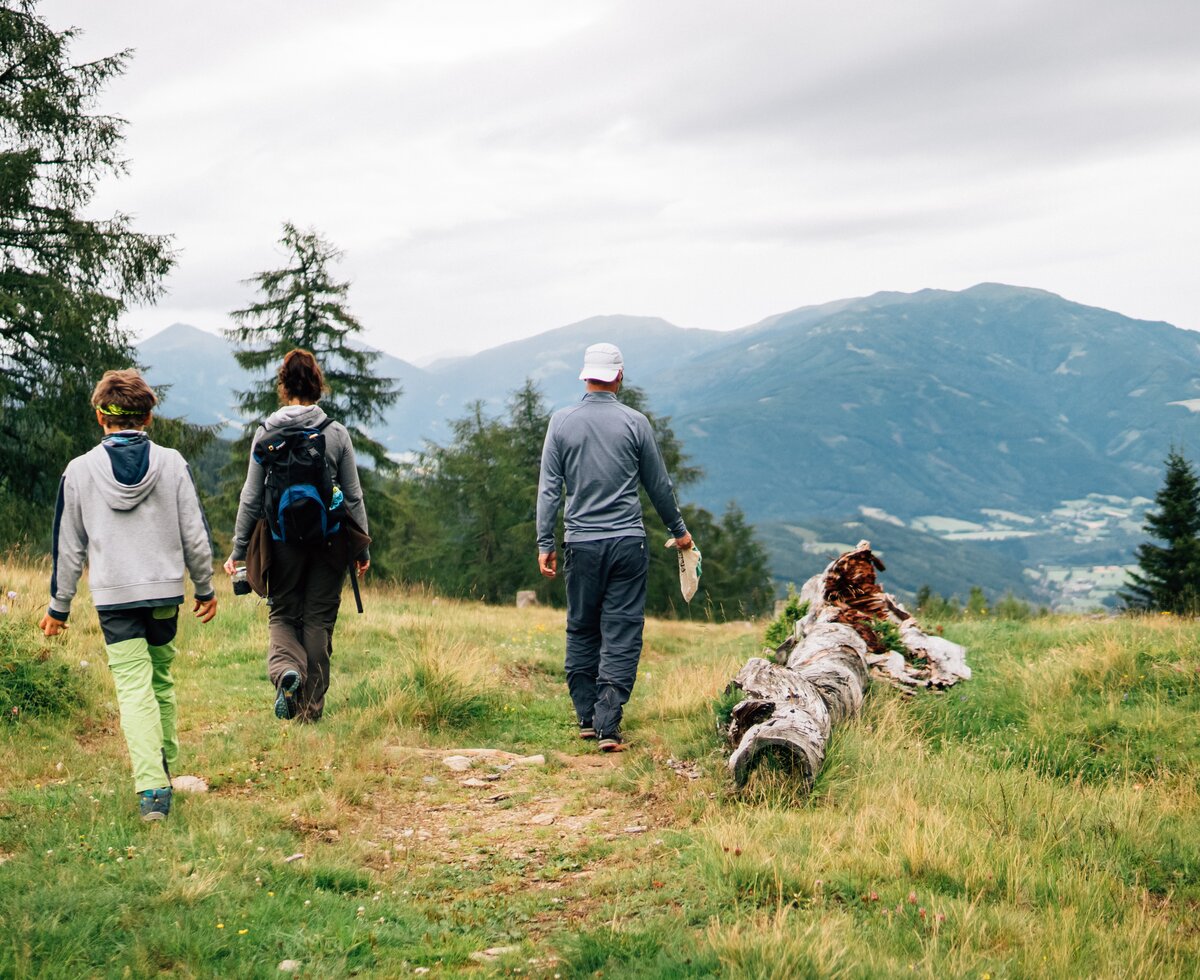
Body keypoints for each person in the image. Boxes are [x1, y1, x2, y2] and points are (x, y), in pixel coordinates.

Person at [39, 369, 218, 822]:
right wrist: (204, 587)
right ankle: (163, 762)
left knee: (134, 688)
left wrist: (58, 608)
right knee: (159, 679)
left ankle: (153, 791)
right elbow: (195, 534)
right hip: (162, 593)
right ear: (149, 417)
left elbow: (68, 546)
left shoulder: (78, 472)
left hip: (113, 598)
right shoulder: (173, 464)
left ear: (101, 417)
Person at [536, 342, 693, 752]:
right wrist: (679, 530)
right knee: (622, 630)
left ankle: (586, 716)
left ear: (585, 376)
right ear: (619, 376)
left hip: (580, 544)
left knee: (582, 626)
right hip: (627, 542)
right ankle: (608, 720)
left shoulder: (561, 422)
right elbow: (659, 485)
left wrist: (544, 541)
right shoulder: (635, 423)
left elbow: (550, 489)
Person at [225, 349, 369, 723]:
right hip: (330, 540)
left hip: (281, 541)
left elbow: (252, 497)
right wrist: (362, 546)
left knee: (284, 615)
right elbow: (353, 495)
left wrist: (239, 550)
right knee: (319, 619)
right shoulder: (335, 433)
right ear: (318, 385)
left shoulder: (266, 434)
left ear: (283, 386)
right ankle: (309, 712)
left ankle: (287, 671)